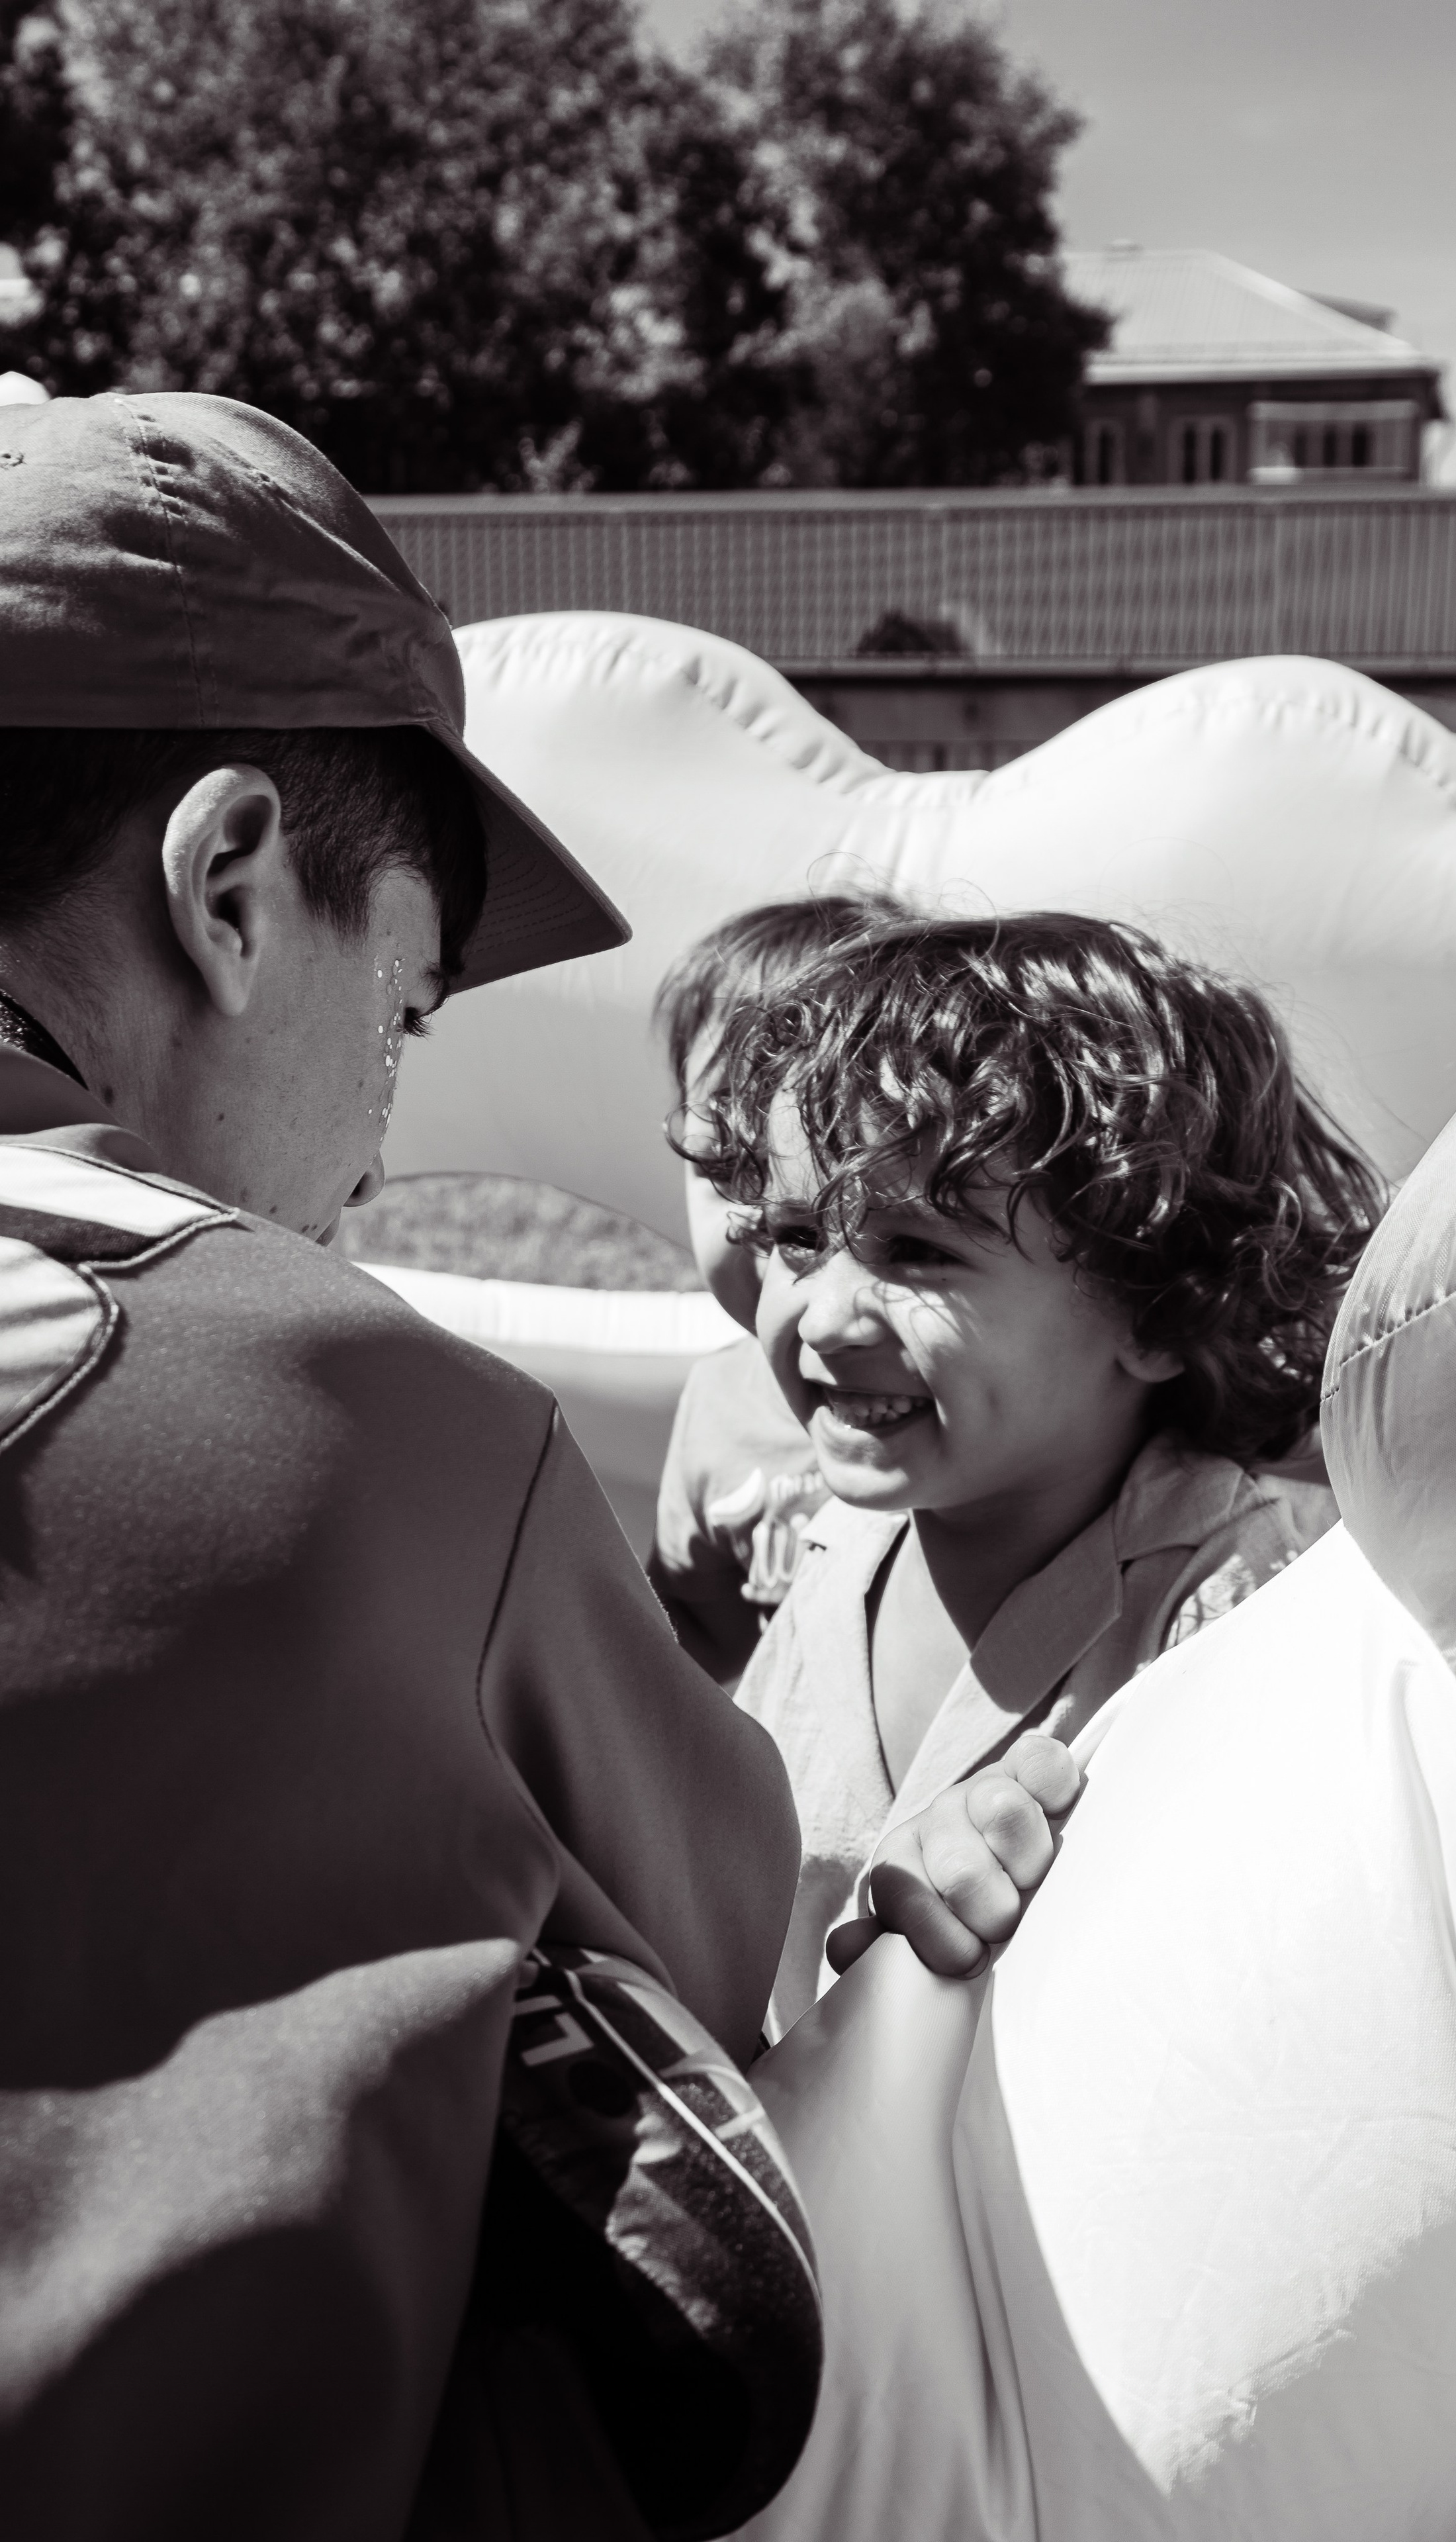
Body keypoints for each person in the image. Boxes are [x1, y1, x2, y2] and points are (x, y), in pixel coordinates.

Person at [0, 389, 815, 2540]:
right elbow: (735, 1948)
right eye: (408, 1011)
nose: (378, 1131)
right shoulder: (354, 1423)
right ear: (235, 883)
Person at [695, 912, 1385, 2032]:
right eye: (794, 1237)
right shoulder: (843, 1549)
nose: (820, 1315)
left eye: (917, 1251)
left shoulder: (1227, 1610)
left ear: (1162, 1306)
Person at [649, 893, 904, 1681]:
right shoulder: (718, 1403)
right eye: (725, 1166)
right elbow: (693, 1647)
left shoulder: (956, 1398)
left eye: (832, 1176)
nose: (758, 1218)